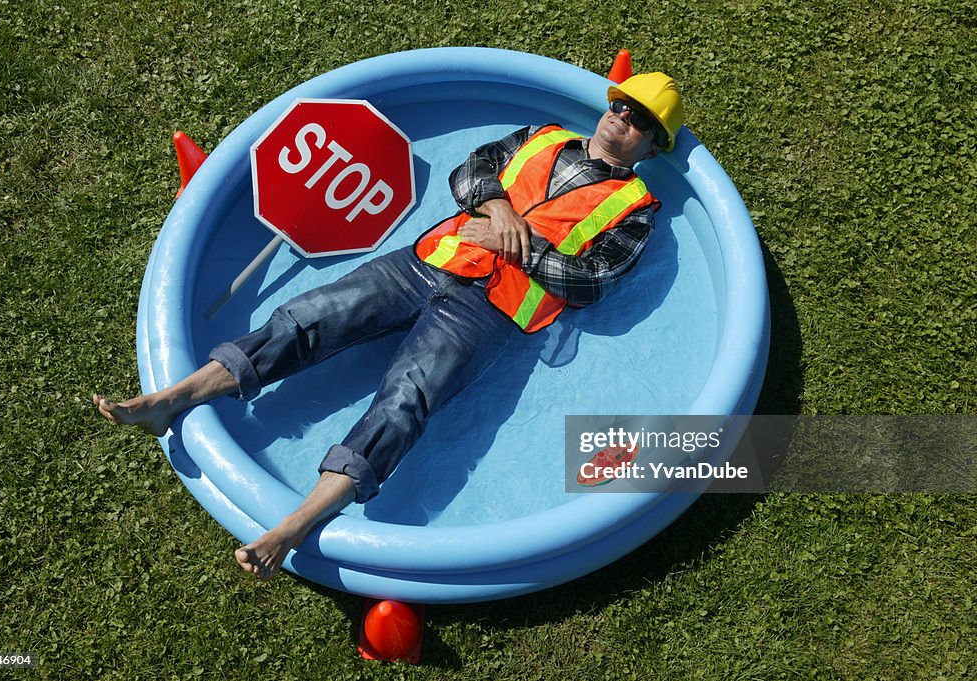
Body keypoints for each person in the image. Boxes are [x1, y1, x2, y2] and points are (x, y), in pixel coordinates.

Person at [93, 73, 684, 580]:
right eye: (619, 106)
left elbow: (591, 284)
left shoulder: (637, 210)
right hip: (425, 261)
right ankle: (174, 398)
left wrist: (518, 248)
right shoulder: (541, 136)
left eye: (638, 121)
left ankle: (299, 522)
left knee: (406, 401)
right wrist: (498, 209)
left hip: (491, 310)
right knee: (307, 318)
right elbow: (469, 173)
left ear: (653, 146)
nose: (621, 119)